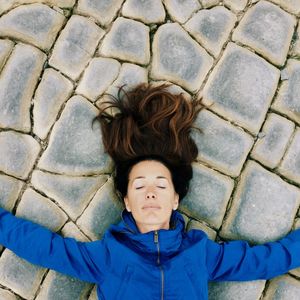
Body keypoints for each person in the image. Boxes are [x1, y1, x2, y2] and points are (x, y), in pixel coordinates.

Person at [1, 83, 300, 300]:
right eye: (140, 186)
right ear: (128, 202)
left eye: (161, 185)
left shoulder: (202, 254)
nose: (151, 193)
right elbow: (45, 247)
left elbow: (264, 261)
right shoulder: (107, 256)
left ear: (175, 199)